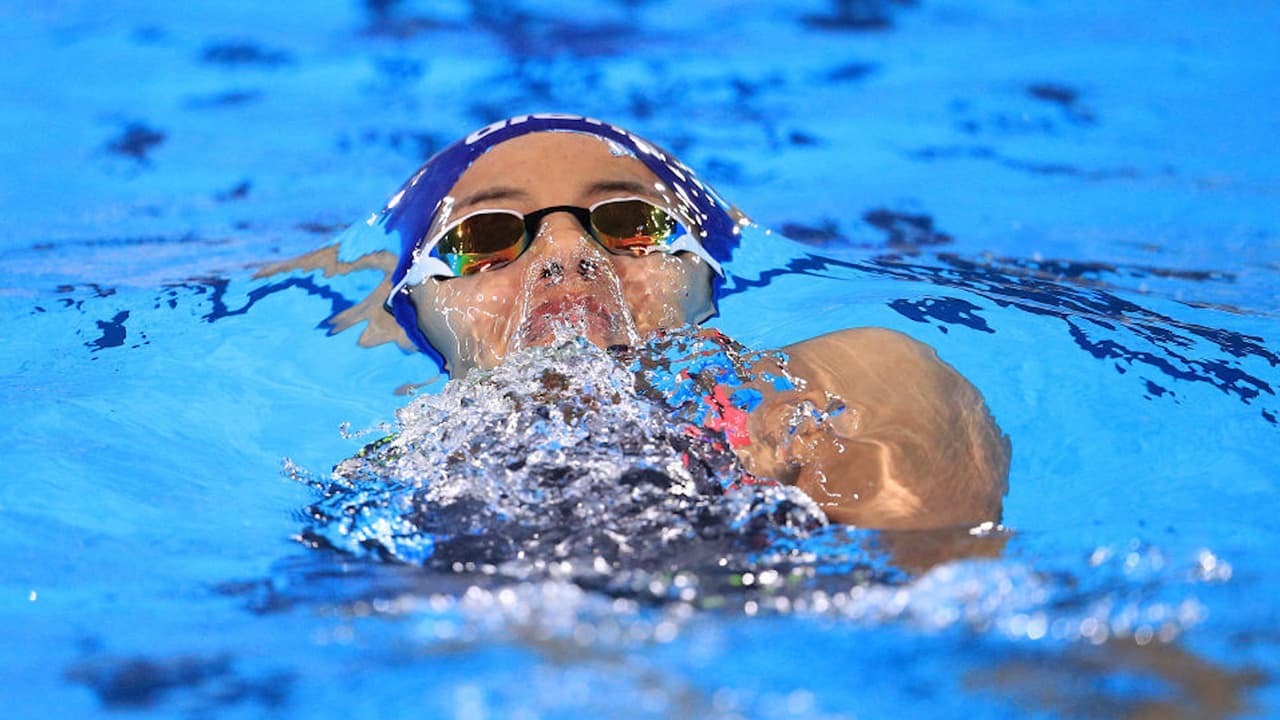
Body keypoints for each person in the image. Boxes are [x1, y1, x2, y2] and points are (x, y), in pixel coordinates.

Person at [299, 114, 1010, 530]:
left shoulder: (851, 387)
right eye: (485, 237)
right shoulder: (376, 482)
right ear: (411, 311)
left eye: (634, 225)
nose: (567, 254)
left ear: (711, 279)